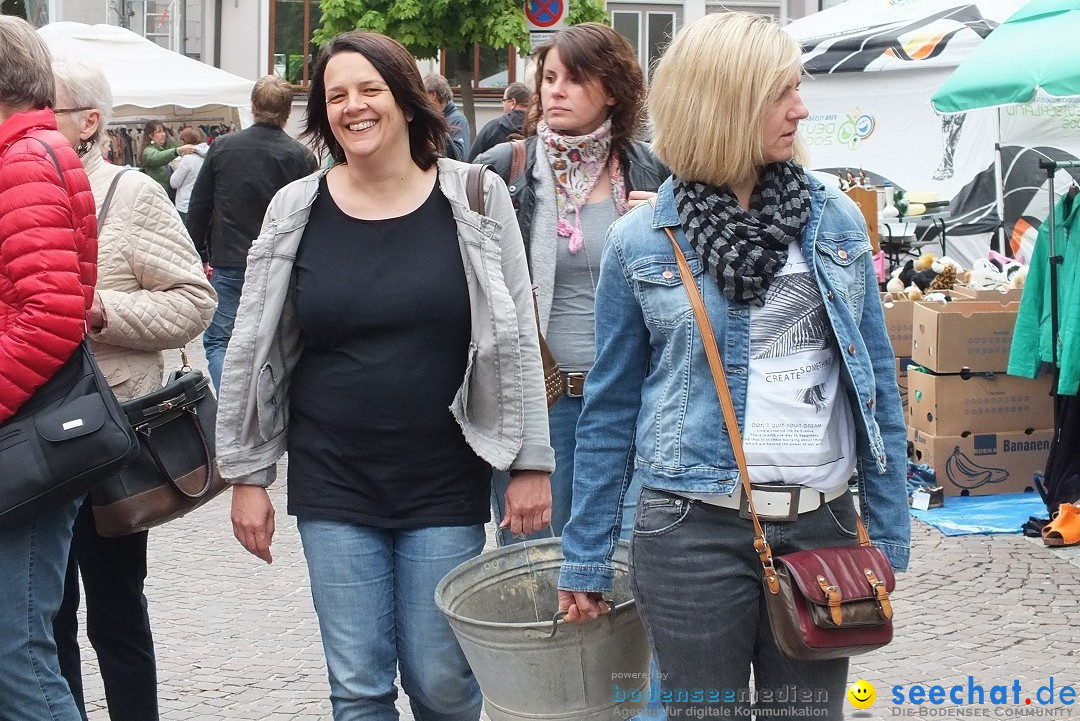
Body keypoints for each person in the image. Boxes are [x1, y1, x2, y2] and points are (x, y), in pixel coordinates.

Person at [556, 13, 910, 719]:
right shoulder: (642, 240)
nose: (801, 108)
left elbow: (875, 386)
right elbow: (610, 410)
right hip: (690, 530)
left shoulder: (834, 220)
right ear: (726, 101)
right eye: (782, 91)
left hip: (821, 528)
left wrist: (888, 528)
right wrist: (586, 557)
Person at [215, 31, 554, 721]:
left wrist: (531, 463)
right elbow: (254, 348)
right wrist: (248, 476)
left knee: (441, 681)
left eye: (369, 89)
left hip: (444, 477)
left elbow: (517, 337)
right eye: (335, 95)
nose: (352, 106)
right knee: (359, 687)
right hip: (333, 476)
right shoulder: (295, 209)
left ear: (404, 100)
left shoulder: (476, 198)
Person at [49, 57, 217, 721]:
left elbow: (192, 302)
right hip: (28, 441)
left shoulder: (129, 194)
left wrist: (101, 310)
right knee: (43, 619)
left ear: (89, 122)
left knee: (115, 613)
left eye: (48, 106)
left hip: (104, 434)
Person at [475, 22, 669, 543]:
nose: (555, 90)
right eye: (549, 77)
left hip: (628, 397)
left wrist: (671, 232)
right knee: (535, 563)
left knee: (626, 561)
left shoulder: (650, 172)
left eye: (574, 79)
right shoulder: (505, 171)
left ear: (611, 91)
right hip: (538, 401)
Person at [0, 16, 98, 721]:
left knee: (17, 653)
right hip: (32, 427)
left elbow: (51, 315)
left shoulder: (23, 160)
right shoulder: (37, 152)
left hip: (26, 433)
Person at [184, 75, 317, 392]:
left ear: (253, 107)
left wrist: (197, 257)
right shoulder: (301, 157)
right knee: (275, 340)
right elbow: (312, 216)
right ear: (287, 112)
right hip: (280, 262)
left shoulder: (223, 149)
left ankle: (233, 400)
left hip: (230, 260)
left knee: (220, 340)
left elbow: (199, 207)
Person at [466, 81, 529, 161]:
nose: (503, 105)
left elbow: (471, 163)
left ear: (513, 103)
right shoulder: (539, 129)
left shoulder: (492, 129)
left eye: (504, 100)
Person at [136, 120, 194, 197]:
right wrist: (177, 151)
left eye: (163, 131)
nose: (163, 134)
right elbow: (158, 157)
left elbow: (176, 146)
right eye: (159, 132)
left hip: (167, 193)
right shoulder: (148, 151)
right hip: (157, 194)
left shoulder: (164, 147)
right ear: (150, 136)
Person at [424, 73, 471, 159]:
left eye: (423, 94)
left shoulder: (458, 120)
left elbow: (459, 156)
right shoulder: (432, 118)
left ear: (432, 95)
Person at [169, 125, 209, 224]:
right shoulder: (208, 154)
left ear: (184, 142)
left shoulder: (188, 159)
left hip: (185, 205)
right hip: (203, 203)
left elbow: (174, 183)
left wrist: (175, 167)